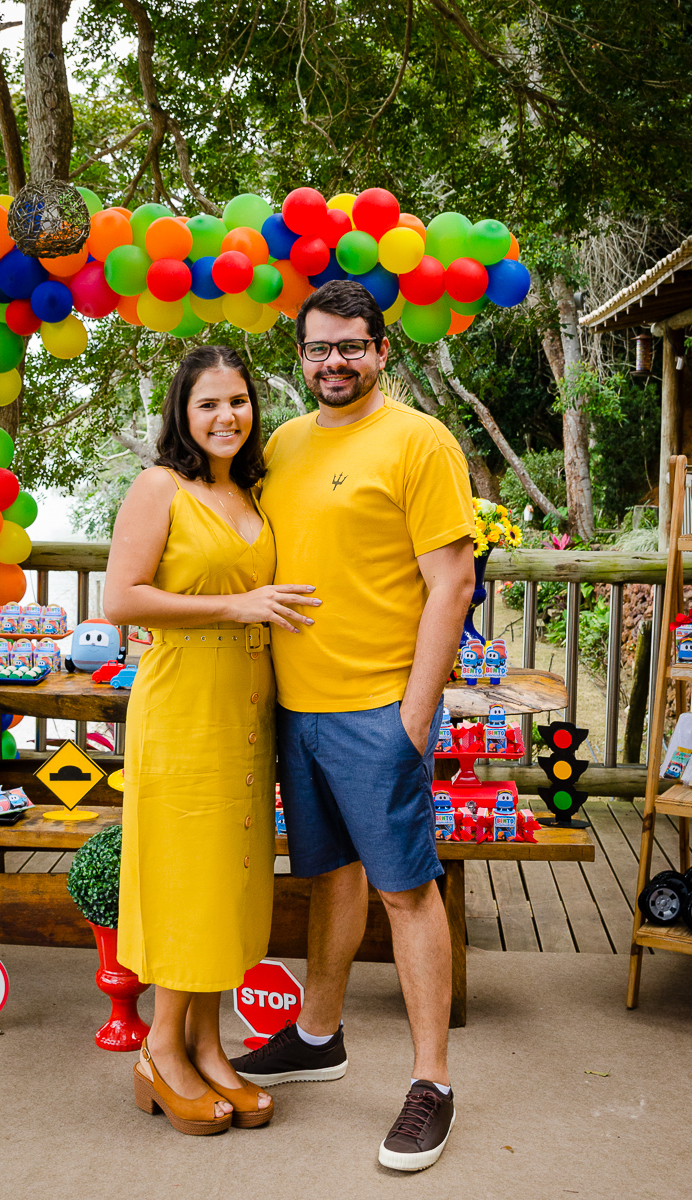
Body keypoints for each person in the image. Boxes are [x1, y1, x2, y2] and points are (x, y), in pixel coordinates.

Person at [230, 280, 476, 1171]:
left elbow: (451, 582)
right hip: (295, 708)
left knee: (405, 890)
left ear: (380, 350)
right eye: (317, 348)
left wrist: (414, 714)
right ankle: (317, 1034)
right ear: (300, 357)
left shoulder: (419, 441)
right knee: (329, 876)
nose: (332, 361)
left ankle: (431, 1082)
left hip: (378, 709)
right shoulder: (283, 443)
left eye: (349, 346)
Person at [103, 345, 321, 1137]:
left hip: (245, 706)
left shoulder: (250, 491)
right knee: (187, 880)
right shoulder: (159, 487)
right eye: (208, 404)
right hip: (183, 705)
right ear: (182, 413)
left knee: (228, 880)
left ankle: (206, 1045)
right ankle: (160, 1050)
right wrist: (237, 607)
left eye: (237, 400)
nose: (226, 416)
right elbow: (121, 599)